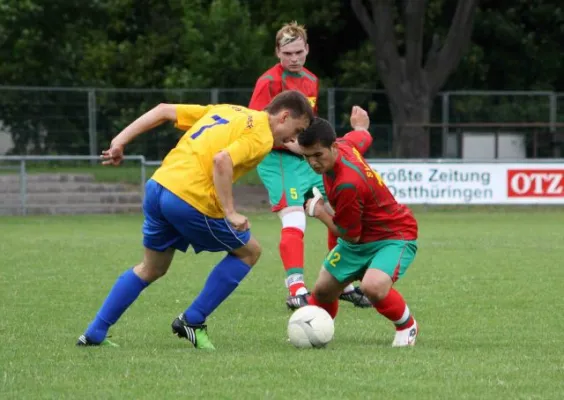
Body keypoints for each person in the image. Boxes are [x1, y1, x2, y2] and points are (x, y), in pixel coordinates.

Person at [76, 90, 314, 350]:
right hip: (190, 198)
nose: (293, 138)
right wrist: (230, 212)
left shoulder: (227, 110)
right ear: (284, 116)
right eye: (297, 129)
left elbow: (163, 110)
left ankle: (95, 332)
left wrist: (119, 140)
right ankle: (193, 320)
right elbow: (221, 160)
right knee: (249, 252)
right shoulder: (261, 136)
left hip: (159, 187)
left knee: (151, 268)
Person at [249, 21, 370, 310]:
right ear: (278, 51)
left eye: (299, 52)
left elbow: (307, 122)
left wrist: (309, 149)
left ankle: (341, 280)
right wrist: (288, 144)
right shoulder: (268, 82)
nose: (294, 58)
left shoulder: (311, 80)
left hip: (304, 158)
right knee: (295, 219)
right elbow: (253, 126)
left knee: (338, 210)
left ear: (307, 50)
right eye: (288, 52)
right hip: (277, 159)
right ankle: (296, 288)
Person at [298, 107, 419, 347]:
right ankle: (315, 330)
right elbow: (361, 138)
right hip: (363, 238)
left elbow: (350, 236)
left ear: (333, 147)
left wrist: (319, 211)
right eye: (307, 156)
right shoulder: (343, 144)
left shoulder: (347, 185)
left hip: (393, 235)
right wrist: (361, 127)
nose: (313, 162)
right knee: (322, 291)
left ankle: (407, 326)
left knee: (372, 287)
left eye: (318, 155)